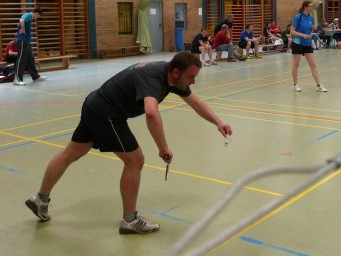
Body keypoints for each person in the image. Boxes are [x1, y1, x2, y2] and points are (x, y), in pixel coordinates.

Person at [25, 52, 233, 234]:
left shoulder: (170, 76)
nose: (193, 82)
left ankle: (40, 199)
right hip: (107, 112)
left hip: (94, 104)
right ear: (176, 72)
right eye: (191, 77)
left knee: (70, 153)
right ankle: (130, 220)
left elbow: (195, 102)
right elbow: (151, 112)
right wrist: (163, 148)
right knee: (135, 160)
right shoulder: (154, 78)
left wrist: (218, 122)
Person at [290, 0, 327, 92]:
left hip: (307, 44)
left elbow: (309, 29)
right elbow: (292, 31)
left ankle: (318, 85)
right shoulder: (298, 17)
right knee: (296, 64)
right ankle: (295, 84)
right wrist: (303, 35)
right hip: (297, 43)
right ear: (305, 7)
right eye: (310, 6)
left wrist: (312, 28)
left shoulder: (310, 18)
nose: (312, 8)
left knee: (313, 65)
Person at [14, 7, 46, 86]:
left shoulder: (30, 17)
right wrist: (23, 28)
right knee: (21, 59)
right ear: (36, 13)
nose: (37, 17)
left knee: (30, 59)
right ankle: (17, 79)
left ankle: (35, 77)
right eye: (38, 16)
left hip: (26, 42)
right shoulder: (28, 15)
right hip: (22, 40)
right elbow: (21, 20)